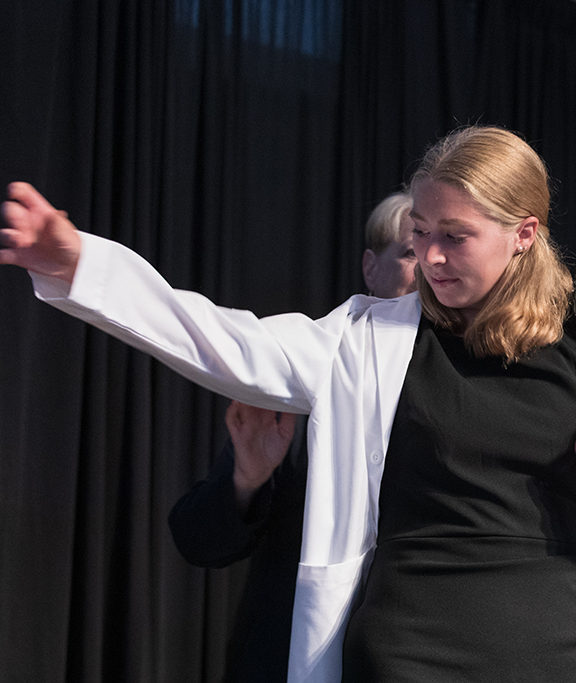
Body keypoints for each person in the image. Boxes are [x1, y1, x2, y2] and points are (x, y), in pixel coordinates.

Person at [0, 125, 576, 683]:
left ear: (524, 233)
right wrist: (80, 265)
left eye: (455, 235)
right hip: (407, 658)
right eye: (419, 232)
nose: (429, 255)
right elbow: (224, 341)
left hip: (568, 661)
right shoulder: (368, 340)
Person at [166, 191, 416, 681]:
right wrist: (246, 480)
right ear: (371, 268)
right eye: (410, 253)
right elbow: (198, 542)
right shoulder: (310, 379)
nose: (428, 270)